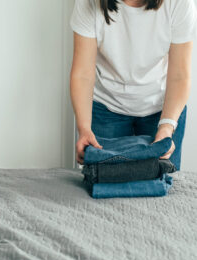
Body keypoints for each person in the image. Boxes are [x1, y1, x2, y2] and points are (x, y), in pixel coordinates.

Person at [69, 0, 197, 170]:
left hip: (162, 110)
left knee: (161, 187)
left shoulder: (180, 3)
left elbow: (179, 76)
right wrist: (84, 128)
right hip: (106, 108)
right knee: (105, 185)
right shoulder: (88, 2)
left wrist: (166, 127)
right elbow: (83, 74)